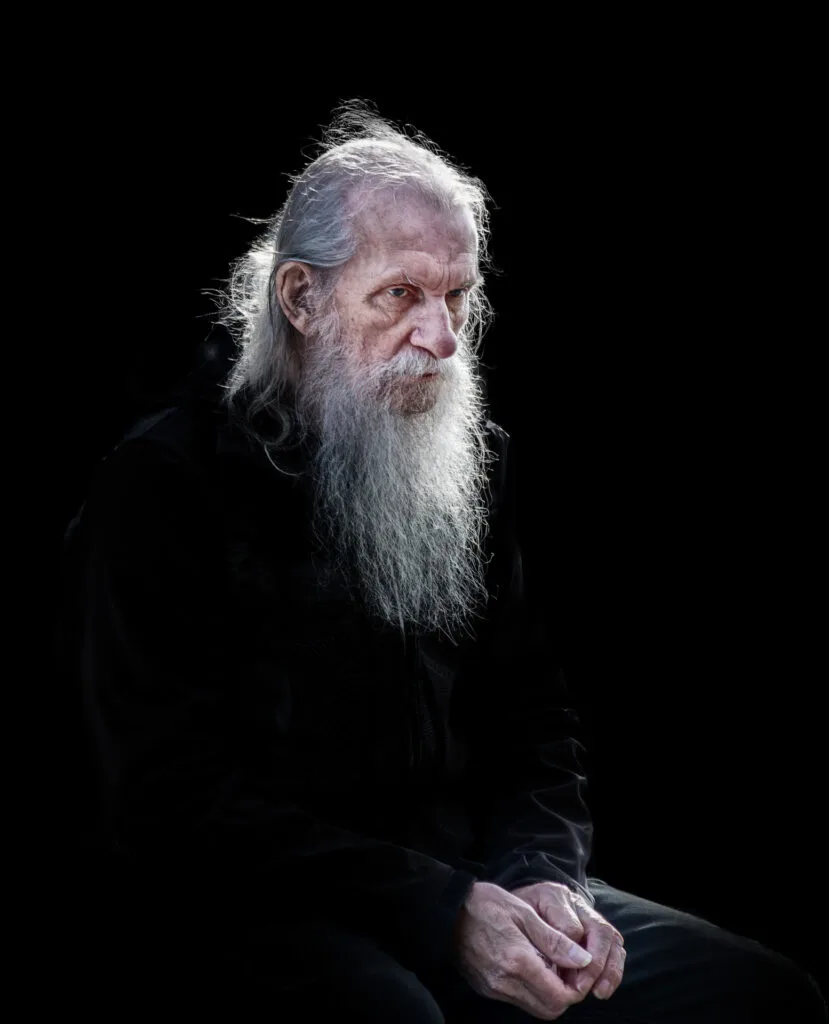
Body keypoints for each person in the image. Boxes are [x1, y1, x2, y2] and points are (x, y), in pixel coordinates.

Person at [63, 102, 826, 1021]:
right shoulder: (163, 484)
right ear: (301, 299)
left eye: (459, 296)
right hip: (255, 909)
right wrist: (437, 908)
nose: (443, 339)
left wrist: (545, 880)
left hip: (474, 883)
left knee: (757, 997)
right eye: (401, 295)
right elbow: (168, 799)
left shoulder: (465, 464)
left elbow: (535, 716)